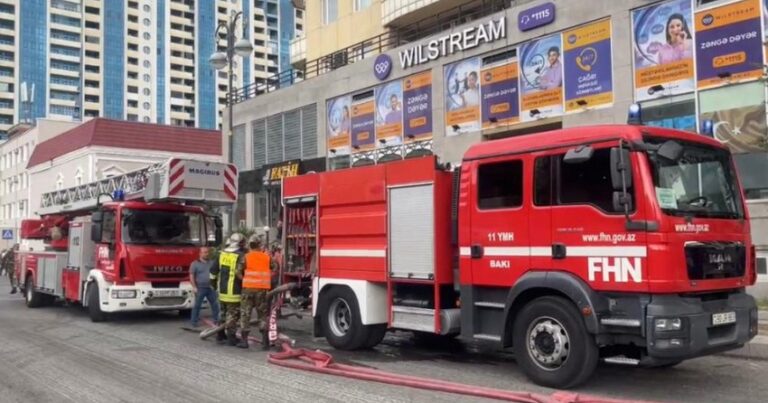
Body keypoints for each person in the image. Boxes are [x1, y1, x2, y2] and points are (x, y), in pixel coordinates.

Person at [237, 236, 274, 349]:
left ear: (250, 245)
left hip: (248, 289)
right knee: (262, 315)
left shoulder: (246, 257)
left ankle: (244, 342)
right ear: (259, 245)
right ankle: (264, 342)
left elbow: (237, 272)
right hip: (262, 290)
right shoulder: (266, 257)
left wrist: (244, 280)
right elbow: (275, 267)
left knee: (245, 314)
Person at [210, 233, 246, 346]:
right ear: (240, 243)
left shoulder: (221, 254)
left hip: (222, 290)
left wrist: (214, 286)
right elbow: (242, 273)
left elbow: (213, 272)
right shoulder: (241, 256)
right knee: (233, 315)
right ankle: (231, 338)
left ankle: (220, 335)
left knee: (222, 313)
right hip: (235, 291)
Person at [189, 246, 220, 328]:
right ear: (200, 253)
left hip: (211, 288)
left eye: (207, 252)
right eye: (205, 252)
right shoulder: (194, 264)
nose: (207, 254)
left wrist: (216, 285)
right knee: (197, 305)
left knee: (215, 305)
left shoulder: (212, 263)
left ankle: (216, 321)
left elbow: (216, 274)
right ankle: (194, 322)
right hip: (200, 288)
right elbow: (191, 276)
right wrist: (194, 287)